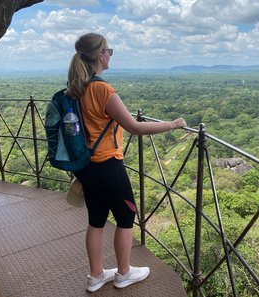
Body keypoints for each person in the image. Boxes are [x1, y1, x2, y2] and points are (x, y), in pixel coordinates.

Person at [67, 32, 187, 292]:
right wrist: (174, 124)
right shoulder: (103, 89)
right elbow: (135, 127)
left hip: (86, 166)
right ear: (101, 55)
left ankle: (96, 275)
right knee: (126, 216)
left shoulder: (77, 88)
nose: (111, 54)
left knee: (96, 220)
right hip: (108, 165)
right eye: (110, 50)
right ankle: (123, 273)